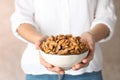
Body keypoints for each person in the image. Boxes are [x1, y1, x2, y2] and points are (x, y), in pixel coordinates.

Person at [11, 0, 116, 80]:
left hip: (87, 73)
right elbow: (21, 18)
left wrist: (91, 36)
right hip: (39, 72)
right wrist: (39, 40)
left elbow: (106, 17)